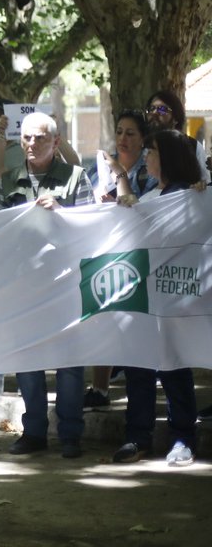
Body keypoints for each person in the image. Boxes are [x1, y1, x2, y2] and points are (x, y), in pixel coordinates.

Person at [0, 111, 93, 458]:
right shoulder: (8, 181)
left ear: (56, 141)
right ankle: (34, 432)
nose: (32, 143)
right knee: (28, 361)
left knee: (70, 363)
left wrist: (62, 211)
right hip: (24, 287)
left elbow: (92, 226)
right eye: (26, 137)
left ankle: (70, 435)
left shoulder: (76, 177)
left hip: (66, 285)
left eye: (40, 138)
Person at [109, 128, 201, 466]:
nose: (146, 156)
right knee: (138, 368)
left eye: (152, 151)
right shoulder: (150, 193)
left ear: (169, 157)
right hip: (141, 295)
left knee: (174, 366)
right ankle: (137, 437)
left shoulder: (189, 195)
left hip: (172, 299)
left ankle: (183, 439)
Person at [83, 109, 158, 410]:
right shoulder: (98, 167)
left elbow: (146, 209)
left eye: (130, 133)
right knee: (102, 316)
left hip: (139, 255)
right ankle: (99, 389)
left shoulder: (149, 169)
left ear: (142, 139)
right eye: (119, 132)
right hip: (103, 251)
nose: (123, 139)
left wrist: (119, 180)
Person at [145, 90, 209, 182]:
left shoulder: (192, 146)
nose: (155, 113)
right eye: (151, 109)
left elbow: (204, 183)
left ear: (176, 118)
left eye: (162, 109)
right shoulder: (140, 145)